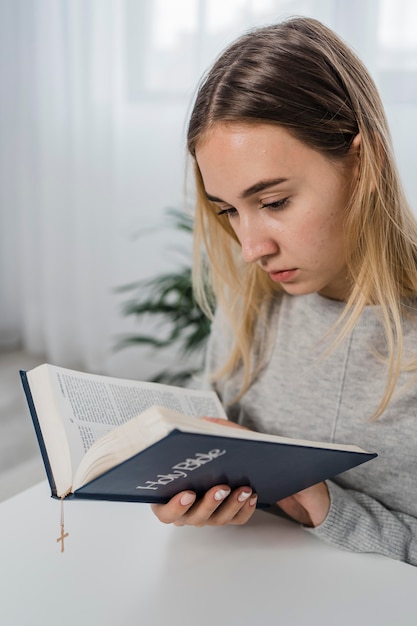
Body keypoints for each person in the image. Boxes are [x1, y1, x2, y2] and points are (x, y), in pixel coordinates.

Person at [151, 16, 417, 566]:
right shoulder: (254, 302)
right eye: (228, 211)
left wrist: (329, 509)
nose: (250, 249)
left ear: (361, 164)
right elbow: (210, 413)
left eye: (272, 203)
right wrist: (183, 479)